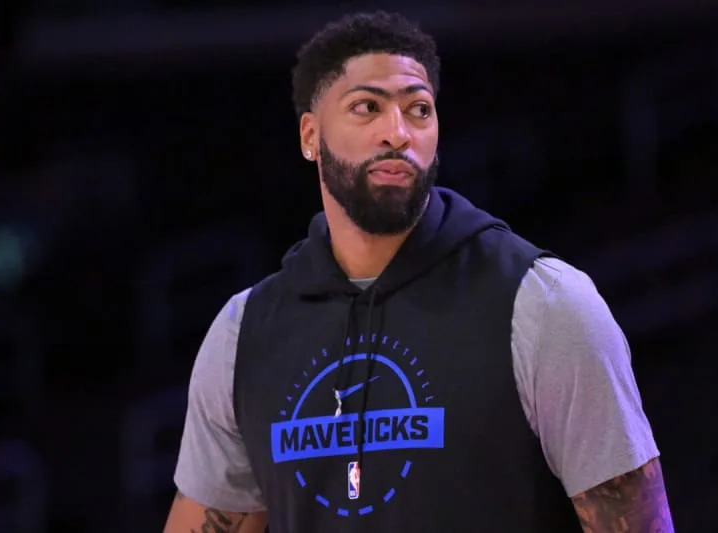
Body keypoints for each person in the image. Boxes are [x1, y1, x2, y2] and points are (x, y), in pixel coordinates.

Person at [164, 10, 674, 533]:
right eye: (367, 107)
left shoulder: (544, 304)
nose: (398, 132)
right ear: (310, 136)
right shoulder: (243, 332)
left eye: (419, 109)